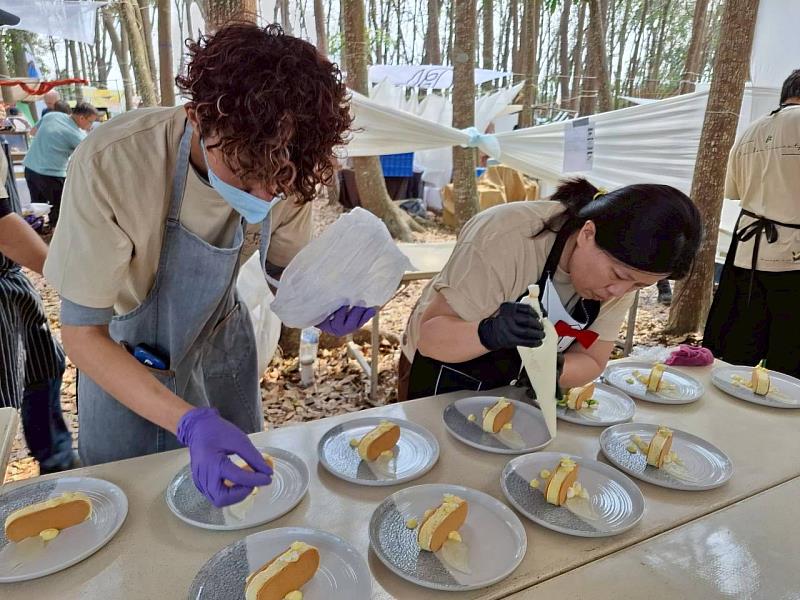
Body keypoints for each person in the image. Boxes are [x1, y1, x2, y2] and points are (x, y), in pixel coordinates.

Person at [44, 23, 374, 508]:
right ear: (199, 117)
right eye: (246, 170)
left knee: (237, 513)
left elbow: (281, 269)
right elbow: (81, 333)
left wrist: (315, 305)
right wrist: (189, 420)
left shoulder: (292, 167)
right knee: (135, 516)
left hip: (221, 347)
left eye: (278, 182)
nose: (264, 195)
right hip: (124, 358)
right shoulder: (114, 161)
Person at [398, 178, 702, 400]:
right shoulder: (506, 235)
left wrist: (553, 369)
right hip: (440, 368)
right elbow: (432, 338)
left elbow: (593, 360)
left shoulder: (625, 276)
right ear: (587, 233)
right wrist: (489, 332)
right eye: (618, 275)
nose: (617, 292)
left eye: (639, 285)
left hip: (511, 389)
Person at [703, 70, 800, 378]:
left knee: (735, 355)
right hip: (794, 258)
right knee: (789, 365)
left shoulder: (750, 131)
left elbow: (734, 192)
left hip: (748, 253)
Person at [0, 147, 75, 474]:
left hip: (12, 285)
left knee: (43, 365)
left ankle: (57, 460)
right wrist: (72, 278)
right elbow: (4, 229)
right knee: (7, 400)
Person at [23, 101, 98, 227]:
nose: (90, 126)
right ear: (81, 117)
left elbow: (33, 132)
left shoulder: (52, 116)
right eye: (90, 122)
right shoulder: (78, 136)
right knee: (59, 207)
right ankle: (54, 234)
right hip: (52, 174)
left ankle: (36, 232)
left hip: (30, 167)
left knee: (37, 206)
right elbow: (89, 156)